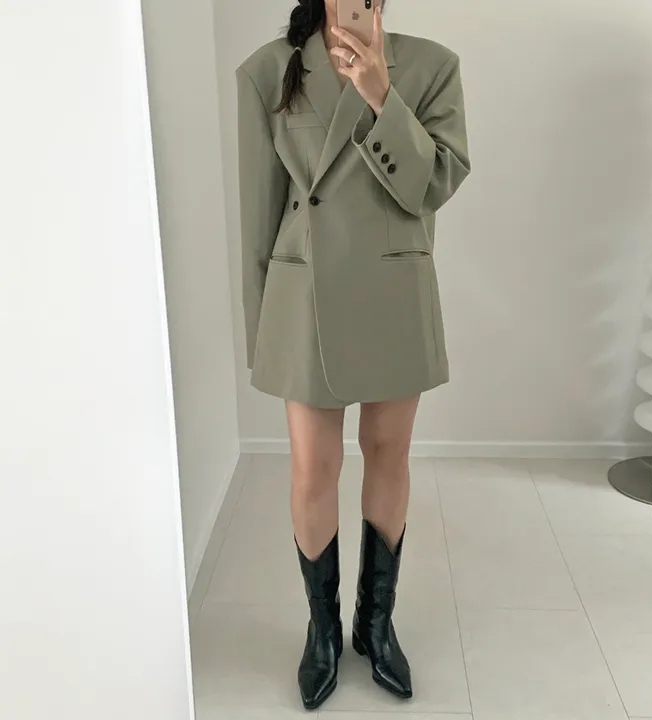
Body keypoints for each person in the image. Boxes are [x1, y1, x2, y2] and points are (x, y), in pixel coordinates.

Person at [233, 0, 470, 710]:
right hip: (304, 296)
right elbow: (258, 217)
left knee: (388, 455)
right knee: (314, 468)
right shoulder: (269, 71)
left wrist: (381, 96)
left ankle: (375, 624)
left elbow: (433, 185)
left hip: (396, 288)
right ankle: (322, 633)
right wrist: (262, 333)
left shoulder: (430, 66)